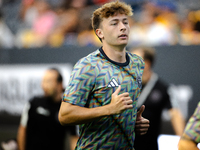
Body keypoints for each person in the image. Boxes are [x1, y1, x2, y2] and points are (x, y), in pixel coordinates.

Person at [59, 1, 149, 149]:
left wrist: (134, 122)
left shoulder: (137, 63)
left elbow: (122, 111)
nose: (123, 27)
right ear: (100, 33)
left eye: (125, 22)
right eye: (114, 23)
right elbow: (65, 115)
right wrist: (109, 109)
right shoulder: (87, 66)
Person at [130, 46, 185, 150]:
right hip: (124, 144)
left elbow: (175, 114)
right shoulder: (125, 84)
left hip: (149, 145)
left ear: (146, 64)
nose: (129, 63)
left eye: (134, 60)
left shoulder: (162, 88)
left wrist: (183, 142)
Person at [17, 68, 78, 150]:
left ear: (59, 84)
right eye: (43, 81)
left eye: (48, 81)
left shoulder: (66, 109)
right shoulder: (33, 103)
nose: (44, 85)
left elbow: (73, 138)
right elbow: (22, 130)